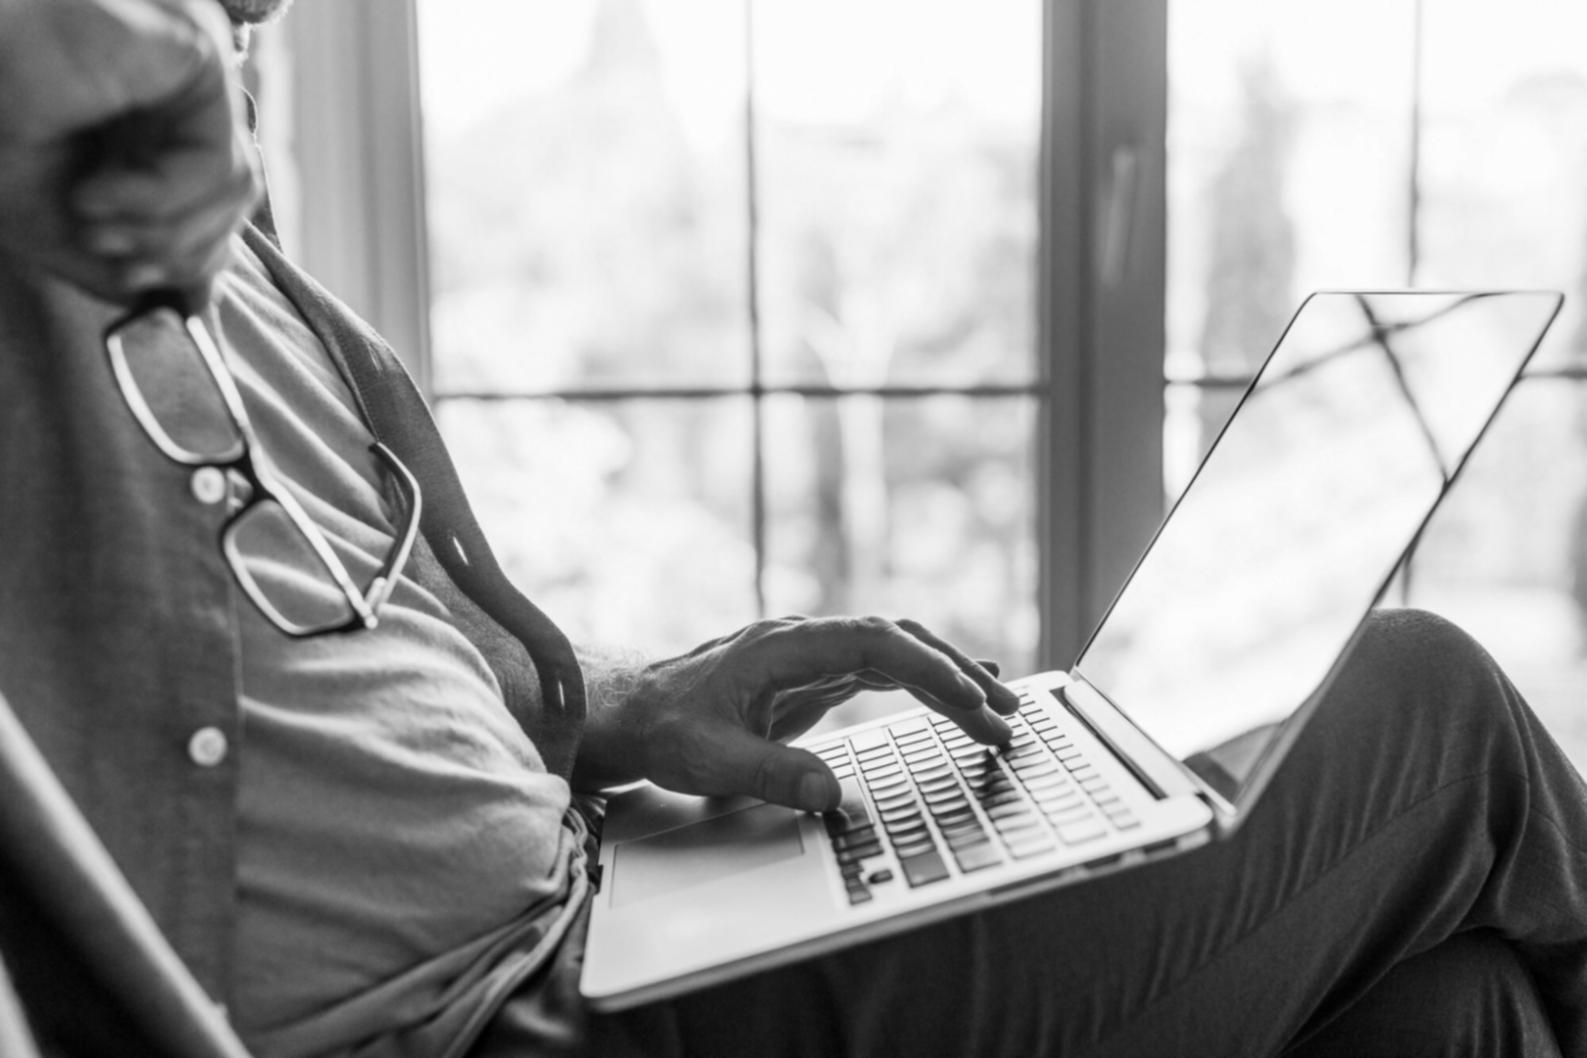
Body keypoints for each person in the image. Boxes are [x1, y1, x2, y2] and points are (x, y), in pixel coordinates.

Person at [0, 2, 1584, 1056]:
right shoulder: (67, 190)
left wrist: (621, 701)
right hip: (502, 1019)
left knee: (1466, 1014)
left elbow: (371, 642)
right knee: (1427, 707)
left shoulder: (235, 253)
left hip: (597, 891)